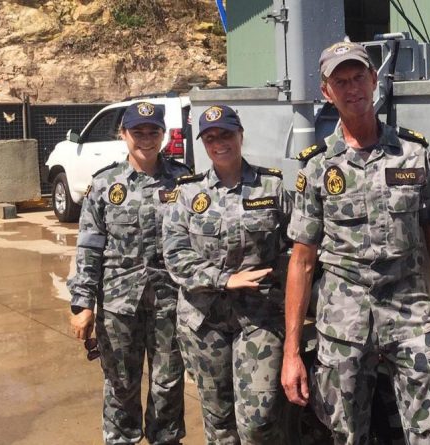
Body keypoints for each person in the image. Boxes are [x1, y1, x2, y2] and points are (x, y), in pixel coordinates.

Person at [281, 41, 430, 445]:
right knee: (346, 435)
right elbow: (302, 262)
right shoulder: (318, 165)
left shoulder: (413, 154)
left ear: (374, 80)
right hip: (343, 320)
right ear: (327, 92)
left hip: (409, 312)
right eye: (341, 81)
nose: (352, 87)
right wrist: (291, 353)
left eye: (359, 76)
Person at [162, 104, 289, 443]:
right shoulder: (188, 192)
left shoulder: (271, 187)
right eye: (210, 138)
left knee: (258, 419)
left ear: (240, 135)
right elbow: (174, 254)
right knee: (218, 420)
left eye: (226, 134)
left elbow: (296, 246)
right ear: (203, 143)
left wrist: (282, 286)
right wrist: (223, 279)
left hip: (258, 319)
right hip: (204, 322)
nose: (219, 143)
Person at [68, 101, 189, 444]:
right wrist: (83, 304)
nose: (146, 139)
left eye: (153, 132)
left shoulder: (184, 180)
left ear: (164, 135)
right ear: (123, 134)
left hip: (170, 304)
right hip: (119, 306)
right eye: (138, 132)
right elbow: (89, 248)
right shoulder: (105, 184)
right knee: (121, 384)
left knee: (168, 385)